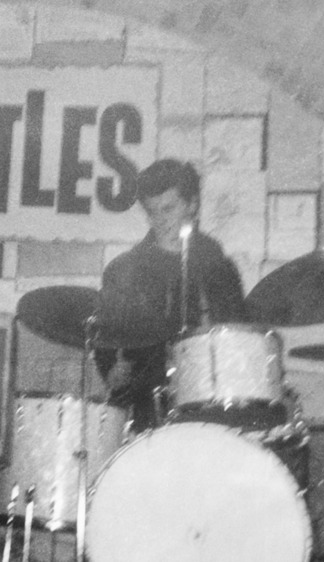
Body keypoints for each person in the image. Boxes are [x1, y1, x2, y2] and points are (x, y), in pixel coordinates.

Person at [94, 159, 248, 430]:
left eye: (169, 208)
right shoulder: (124, 271)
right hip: (145, 409)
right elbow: (103, 339)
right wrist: (111, 371)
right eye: (152, 212)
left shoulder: (220, 269)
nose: (160, 220)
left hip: (212, 405)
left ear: (192, 205)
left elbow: (238, 340)